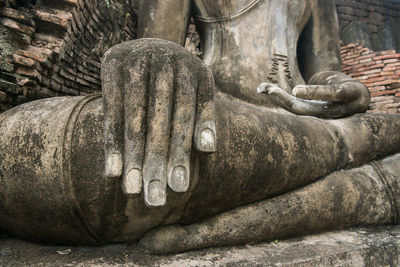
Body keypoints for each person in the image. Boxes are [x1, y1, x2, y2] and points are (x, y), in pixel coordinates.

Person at [0, 0, 399, 253]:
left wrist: (341, 86)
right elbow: (159, 44)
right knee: (111, 154)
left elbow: (325, 64)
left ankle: (344, 166)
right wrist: (152, 55)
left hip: (301, 119)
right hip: (221, 116)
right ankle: (356, 171)